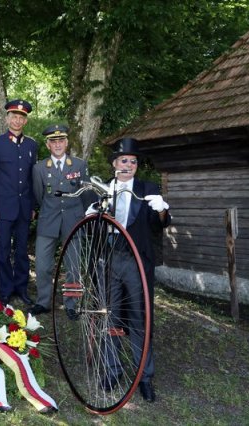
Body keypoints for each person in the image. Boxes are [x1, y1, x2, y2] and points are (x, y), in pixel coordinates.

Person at [101, 137, 171, 403]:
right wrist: (91, 214)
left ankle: (145, 375)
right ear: (114, 164)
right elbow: (94, 229)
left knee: (141, 318)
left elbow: (160, 223)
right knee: (110, 316)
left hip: (137, 261)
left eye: (133, 161)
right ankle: (112, 369)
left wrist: (162, 210)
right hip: (109, 261)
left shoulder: (147, 189)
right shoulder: (104, 190)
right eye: (123, 160)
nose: (128, 165)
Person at [30, 124, 88, 316]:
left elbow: (85, 193)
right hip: (48, 220)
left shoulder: (79, 165)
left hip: (73, 220)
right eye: (53, 141)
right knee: (43, 265)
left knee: (73, 265)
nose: (57, 145)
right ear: (47, 145)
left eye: (61, 140)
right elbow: (39, 196)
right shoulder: (39, 168)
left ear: (67, 142)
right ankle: (43, 301)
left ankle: (71, 305)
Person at [0, 99, 37, 306]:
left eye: (21, 117)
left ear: (25, 121)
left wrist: (32, 206)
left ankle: (21, 289)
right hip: (3, 208)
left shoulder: (32, 145)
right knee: (3, 251)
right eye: (14, 116)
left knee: (22, 252)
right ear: (7, 118)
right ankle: (5, 290)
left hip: (24, 209)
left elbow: (32, 179)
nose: (17, 120)